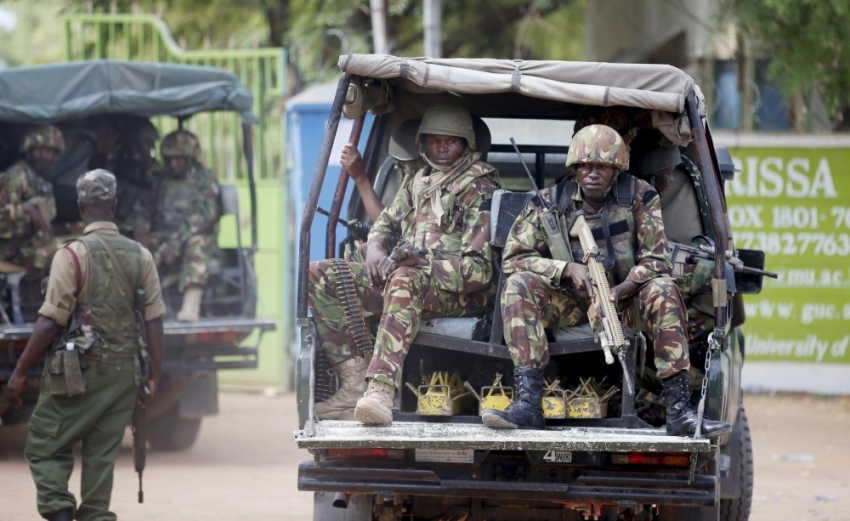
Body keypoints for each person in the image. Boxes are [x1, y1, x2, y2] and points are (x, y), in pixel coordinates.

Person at [483, 124, 730, 438]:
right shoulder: (552, 199)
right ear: (575, 168)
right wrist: (565, 269)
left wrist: (620, 290)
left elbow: (656, 261)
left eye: (602, 166)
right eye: (585, 166)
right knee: (517, 285)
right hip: (572, 299)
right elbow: (515, 257)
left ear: (617, 168)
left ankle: (679, 411)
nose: (592, 174)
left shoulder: (640, 196)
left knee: (664, 289)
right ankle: (529, 405)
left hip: (627, 301)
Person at [307, 103, 499, 424]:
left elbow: (479, 271)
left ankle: (380, 391)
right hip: (412, 282)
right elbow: (385, 222)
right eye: (434, 141)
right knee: (319, 274)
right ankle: (354, 383)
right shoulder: (419, 181)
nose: (441, 148)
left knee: (405, 277)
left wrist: (421, 264)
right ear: (422, 143)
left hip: (460, 294)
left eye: (450, 141)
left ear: (466, 144)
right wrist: (376, 249)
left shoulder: (478, 188)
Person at [4, 169, 165, 521]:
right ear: (114, 205)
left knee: (44, 446)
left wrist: (18, 373)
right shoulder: (142, 256)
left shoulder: (71, 255)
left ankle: (60, 514)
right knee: (101, 454)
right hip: (125, 374)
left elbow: (50, 321)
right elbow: (154, 320)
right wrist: (153, 375)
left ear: (80, 208)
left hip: (79, 374)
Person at [127, 130, 221, 322]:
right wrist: (139, 232)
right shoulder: (161, 180)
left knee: (198, 244)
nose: (173, 164)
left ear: (191, 157)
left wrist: (167, 250)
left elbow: (198, 221)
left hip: (190, 239)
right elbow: (144, 207)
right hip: (163, 237)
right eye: (169, 159)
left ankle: (190, 305)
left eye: (179, 159)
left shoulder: (205, 181)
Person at [632, 147, 715, 363]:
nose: (670, 180)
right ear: (652, 175)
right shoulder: (638, 202)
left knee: (712, 274)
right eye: (667, 174)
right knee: (714, 279)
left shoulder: (644, 200)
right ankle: (676, 358)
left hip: (645, 281)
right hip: (639, 285)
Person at [0, 125, 64, 270]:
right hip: (11, 252)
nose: (44, 156)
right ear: (29, 151)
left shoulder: (41, 182)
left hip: (30, 246)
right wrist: (26, 211)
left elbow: (46, 223)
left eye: (49, 152)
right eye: (39, 150)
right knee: (71, 252)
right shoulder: (17, 177)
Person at [105, 117, 161, 235]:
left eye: (139, 144)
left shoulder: (161, 175)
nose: (134, 150)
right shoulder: (119, 171)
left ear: (150, 144)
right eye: (130, 144)